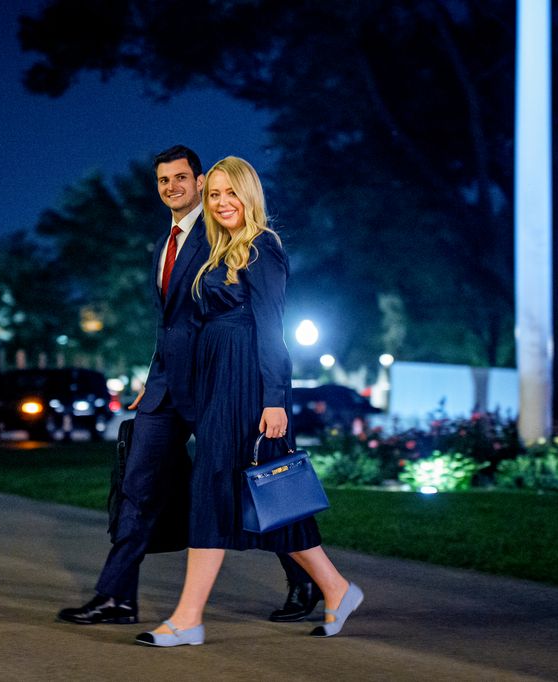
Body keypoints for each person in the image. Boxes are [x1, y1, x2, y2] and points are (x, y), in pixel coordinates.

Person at [57, 146, 318, 626]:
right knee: (138, 486)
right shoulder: (164, 243)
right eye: (163, 180)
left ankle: (307, 578)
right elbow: (172, 323)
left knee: (251, 479)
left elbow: (257, 322)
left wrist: (272, 396)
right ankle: (117, 597)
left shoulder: (223, 231)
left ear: (199, 182)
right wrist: (152, 375)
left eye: (182, 178)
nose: (172, 187)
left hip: (218, 383)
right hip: (165, 389)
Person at [136, 157, 363, 647]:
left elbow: (272, 332)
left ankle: (188, 617)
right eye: (214, 194)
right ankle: (336, 588)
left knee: (226, 492)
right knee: (264, 501)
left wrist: (276, 400)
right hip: (218, 385)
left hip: (250, 390)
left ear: (249, 195)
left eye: (229, 193)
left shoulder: (262, 249)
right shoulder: (219, 252)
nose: (220, 203)